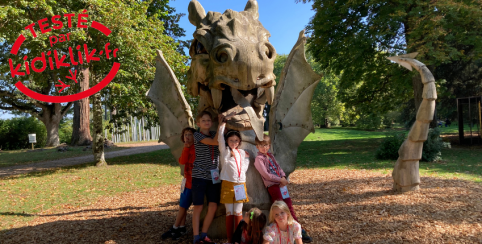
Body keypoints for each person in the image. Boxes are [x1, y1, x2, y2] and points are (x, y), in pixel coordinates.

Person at [254, 134, 312, 243]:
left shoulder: (270, 156)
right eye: (261, 145)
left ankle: (298, 230)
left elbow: (279, 168)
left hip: (281, 184)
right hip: (273, 186)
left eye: (266, 145)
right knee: (280, 209)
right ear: (257, 146)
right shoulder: (258, 159)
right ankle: (282, 231)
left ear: (269, 145)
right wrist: (280, 180)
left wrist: (283, 177)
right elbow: (266, 175)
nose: (264, 148)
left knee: (289, 206)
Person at [217, 113, 250, 243]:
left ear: (240, 141)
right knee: (229, 212)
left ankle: (238, 239)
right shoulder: (225, 151)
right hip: (227, 185)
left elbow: (245, 167)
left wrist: (246, 159)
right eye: (231, 140)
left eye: (236, 140)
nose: (234, 143)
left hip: (240, 185)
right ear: (227, 141)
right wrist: (222, 124)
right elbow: (220, 139)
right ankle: (230, 240)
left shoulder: (242, 153)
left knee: (238, 212)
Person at [161, 127, 196, 240]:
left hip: (193, 183)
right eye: (185, 134)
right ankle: (181, 227)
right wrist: (186, 148)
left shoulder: (196, 148)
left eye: (190, 134)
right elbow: (182, 161)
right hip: (186, 182)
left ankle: (175, 227)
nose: (187, 136)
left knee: (183, 206)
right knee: (182, 204)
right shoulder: (186, 147)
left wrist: (188, 149)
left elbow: (190, 161)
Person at [192, 111, 221, 244]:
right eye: (203, 120)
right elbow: (215, 143)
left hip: (213, 176)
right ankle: (196, 237)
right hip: (199, 175)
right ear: (198, 124)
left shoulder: (215, 133)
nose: (207, 122)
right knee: (198, 207)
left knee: (213, 206)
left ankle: (204, 235)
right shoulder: (197, 135)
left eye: (209, 120)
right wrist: (221, 124)